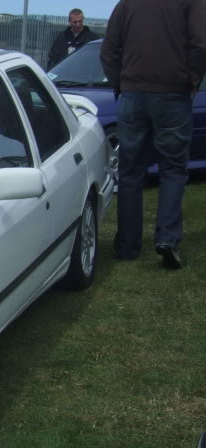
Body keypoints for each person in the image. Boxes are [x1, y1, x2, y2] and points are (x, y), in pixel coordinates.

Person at [100, 0, 206, 269]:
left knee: (130, 171)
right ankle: (167, 240)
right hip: (173, 94)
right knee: (173, 168)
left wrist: (121, 85)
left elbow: (109, 51)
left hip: (132, 94)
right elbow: (201, 45)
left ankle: (127, 245)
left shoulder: (128, 4)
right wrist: (191, 80)